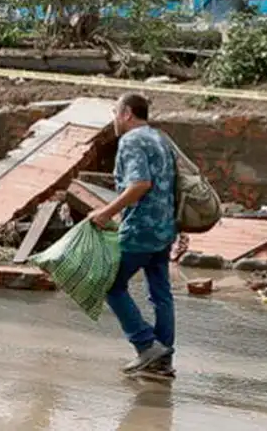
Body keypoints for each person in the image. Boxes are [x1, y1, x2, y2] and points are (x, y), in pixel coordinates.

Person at [89, 93, 178, 377]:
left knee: (109, 284)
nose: (113, 119)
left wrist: (106, 213)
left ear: (127, 113)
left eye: (115, 112)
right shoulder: (160, 138)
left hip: (141, 229)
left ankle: (145, 345)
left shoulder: (132, 140)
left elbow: (140, 183)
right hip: (164, 229)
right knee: (161, 294)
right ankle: (162, 361)